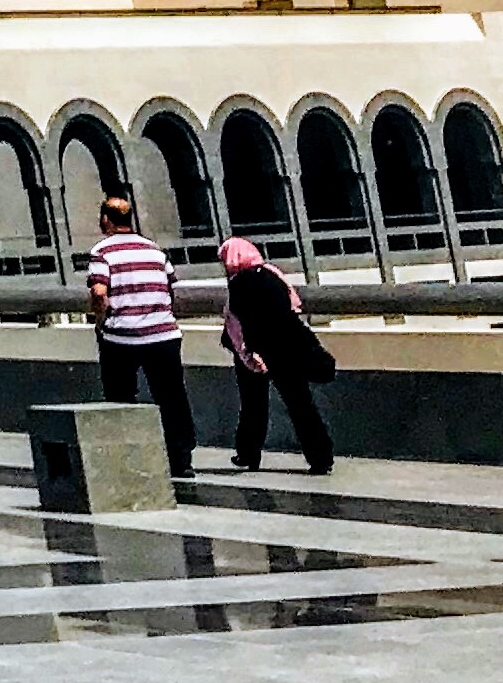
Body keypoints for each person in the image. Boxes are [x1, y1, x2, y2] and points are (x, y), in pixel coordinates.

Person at [79, 191, 196, 479]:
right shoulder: (154, 250)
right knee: (171, 396)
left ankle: (129, 457)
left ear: (106, 220)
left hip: (122, 338)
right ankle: (181, 459)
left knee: (120, 397)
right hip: (164, 335)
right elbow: (171, 286)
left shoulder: (102, 252)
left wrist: (100, 321)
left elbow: (99, 292)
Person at [217, 234, 336, 476]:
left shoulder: (239, 283)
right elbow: (293, 307)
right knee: (301, 405)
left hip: (257, 351)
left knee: (253, 406)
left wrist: (248, 354)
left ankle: (248, 454)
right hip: (286, 349)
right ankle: (321, 457)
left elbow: (241, 323)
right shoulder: (273, 274)